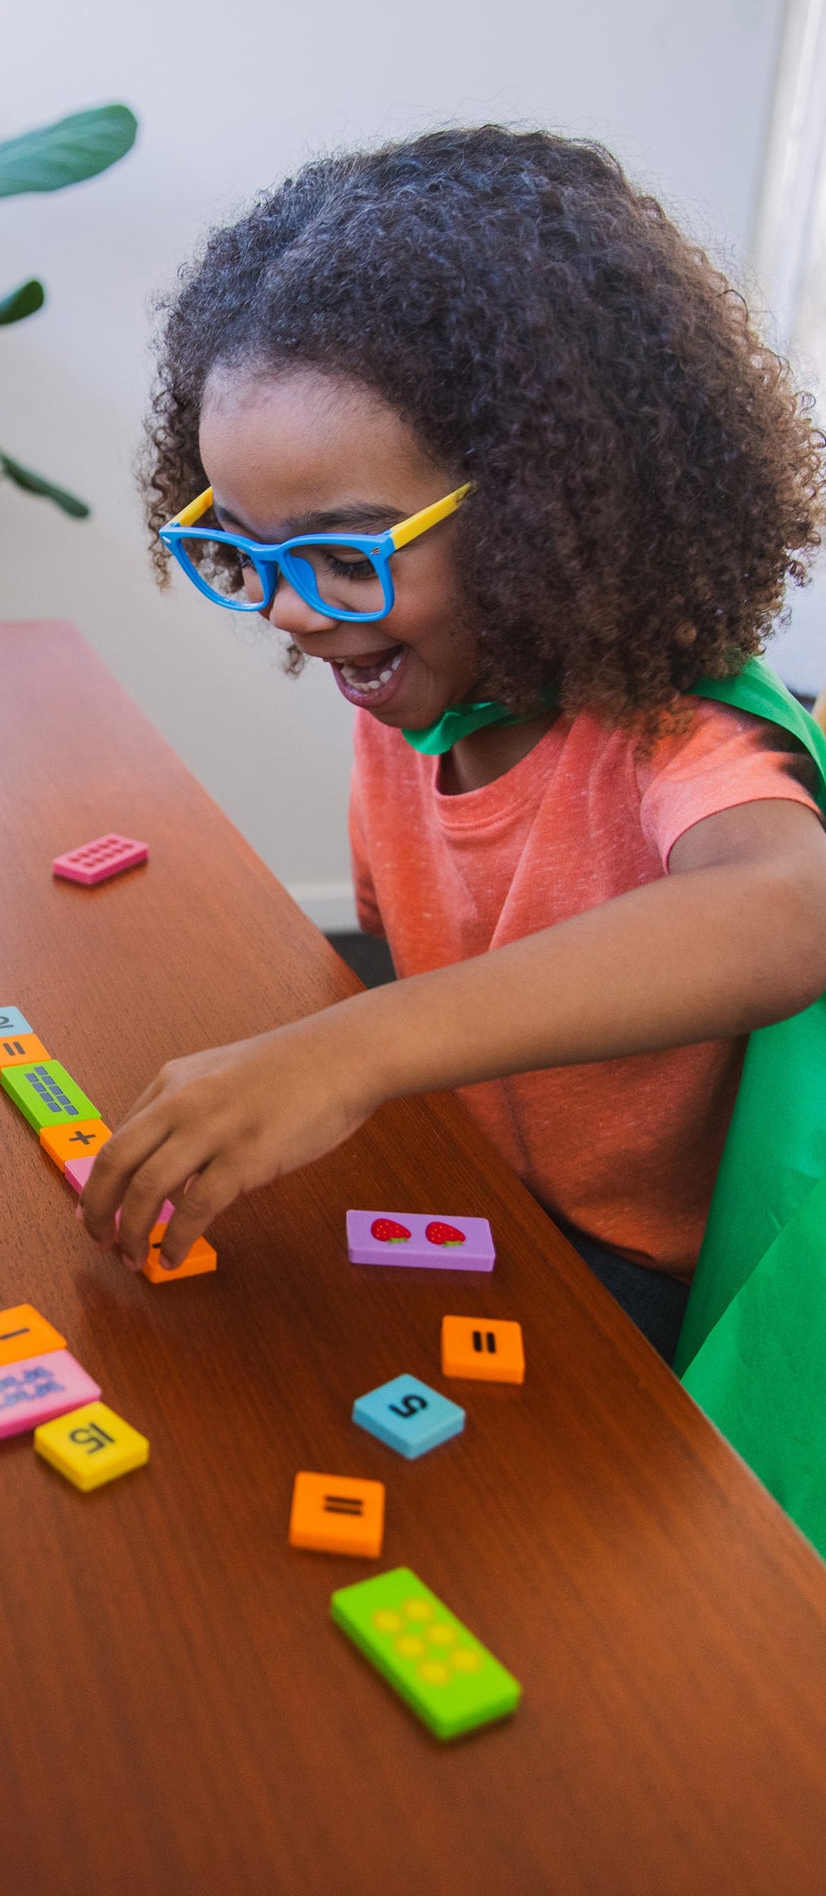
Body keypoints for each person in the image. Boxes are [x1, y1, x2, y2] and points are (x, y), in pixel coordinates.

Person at [78, 127, 826, 1372]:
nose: (290, 612)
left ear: (544, 503)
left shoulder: (677, 727)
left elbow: (787, 909)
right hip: (481, 1190)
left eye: (342, 554)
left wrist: (350, 1054)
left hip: (647, 1290)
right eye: (244, 550)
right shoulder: (413, 685)